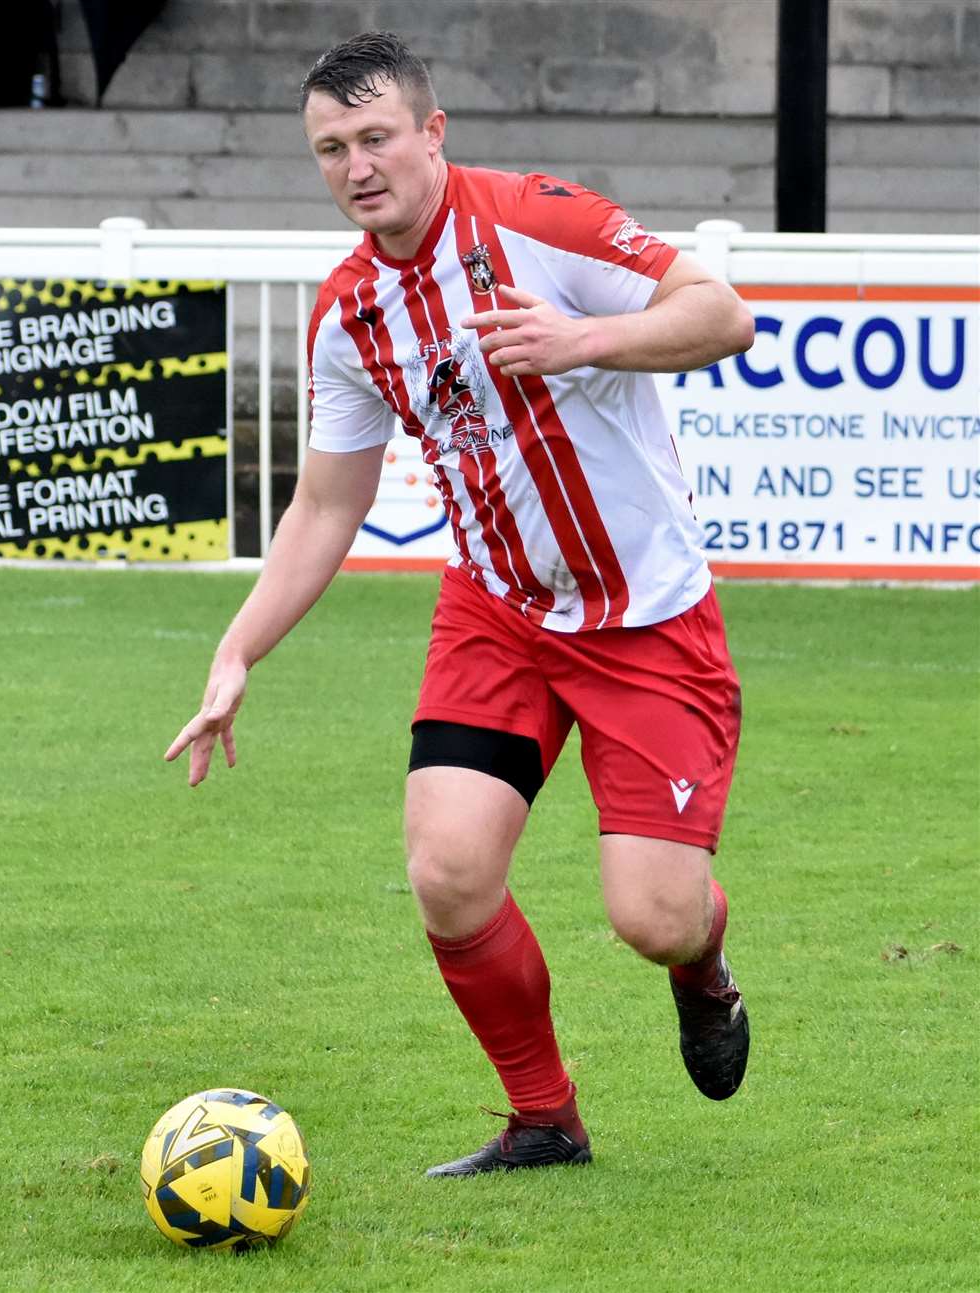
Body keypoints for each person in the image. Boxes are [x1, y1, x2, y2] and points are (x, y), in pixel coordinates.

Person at [166, 31, 755, 1178]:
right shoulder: (348, 315)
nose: (356, 165)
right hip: (497, 614)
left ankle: (703, 969)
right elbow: (329, 505)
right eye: (331, 148)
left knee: (655, 917)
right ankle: (544, 1119)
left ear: (433, 132)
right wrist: (238, 652)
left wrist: (588, 338)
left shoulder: (541, 221)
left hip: (648, 622)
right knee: (447, 871)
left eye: (376, 137)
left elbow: (722, 315)